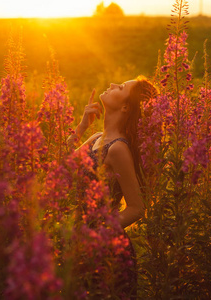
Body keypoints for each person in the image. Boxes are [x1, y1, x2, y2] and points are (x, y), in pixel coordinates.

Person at [67, 76, 158, 297]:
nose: (113, 85)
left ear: (126, 106)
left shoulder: (117, 149)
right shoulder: (98, 138)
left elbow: (137, 208)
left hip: (108, 253)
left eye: (121, 87)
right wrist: (81, 127)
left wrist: (99, 235)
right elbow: (64, 166)